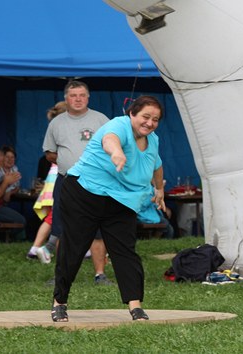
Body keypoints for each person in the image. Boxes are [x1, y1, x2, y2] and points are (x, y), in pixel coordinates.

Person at [51, 95, 165, 322]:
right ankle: (59, 303)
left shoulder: (153, 140)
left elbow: (157, 164)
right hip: (84, 193)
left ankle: (135, 306)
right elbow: (109, 140)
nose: (150, 123)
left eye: (155, 119)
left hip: (120, 202)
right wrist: (117, 152)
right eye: (145, 117)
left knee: (125, 251)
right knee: (74, 247)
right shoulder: (117, 125)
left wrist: (159, 189)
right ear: (132, 113)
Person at [40, 81, 112, 285]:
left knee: (97, 229)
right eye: (73, 95)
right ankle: (61, 275)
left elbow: (114, 147)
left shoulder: (101, 120)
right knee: (62, 228)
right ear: (66, 98)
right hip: (67, 181)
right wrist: (68, 161)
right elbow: (49, 153)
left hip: (96, 182)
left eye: (82, 95)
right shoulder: (56, 123)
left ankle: (100, 274)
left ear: (88, 97)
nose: (78, 99)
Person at [27, 101, 67, 262]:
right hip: (61, 173)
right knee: (54, 216)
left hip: (55, 174)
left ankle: (39, 247)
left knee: (56, 214)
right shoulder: (62, 129)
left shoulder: (55, 127)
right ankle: (38, 247)